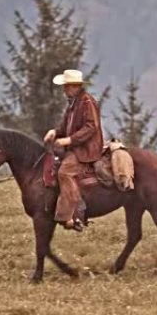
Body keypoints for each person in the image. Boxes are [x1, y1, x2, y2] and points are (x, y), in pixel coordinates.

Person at [44, 69, 103, 231]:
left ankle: (71, 215)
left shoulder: (87, 102)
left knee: (64, 172)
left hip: (86, 149)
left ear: (74, 86)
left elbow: (91, 127)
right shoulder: (73, 104)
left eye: (66, 86)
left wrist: (69, 140)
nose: (64, 90)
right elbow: (65, 126)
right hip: (77, 147)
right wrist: (55, 132)